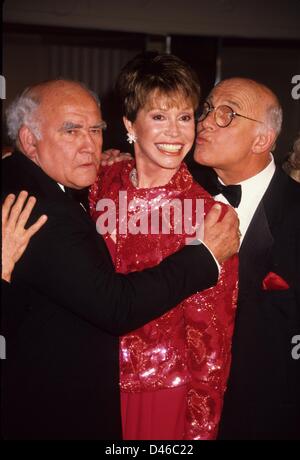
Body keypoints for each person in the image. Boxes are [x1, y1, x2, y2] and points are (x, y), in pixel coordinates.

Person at [1, 79, 239, 440]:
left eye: (95, 130)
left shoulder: (83, 183)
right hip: (58, 405)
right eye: (71, 131)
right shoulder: (40, 206)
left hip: (157, 395)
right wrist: (205, 256)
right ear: (29, 140)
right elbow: (116, 305)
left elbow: (210, 341)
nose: (89, 145)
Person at [89, 52, 238, 440]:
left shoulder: (208, 216)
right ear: (129, 125)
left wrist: (199, 429)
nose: (176, 132)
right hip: (88, 378)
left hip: (160, 395)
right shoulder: (101, 183)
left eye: (184, 117)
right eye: (159, 116)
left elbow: (212, 344)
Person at [191, 77, 300, 440]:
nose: (205, 121)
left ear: (262, 140)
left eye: (227, 114)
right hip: (179, 409)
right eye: (207, 109)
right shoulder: (175, 192)